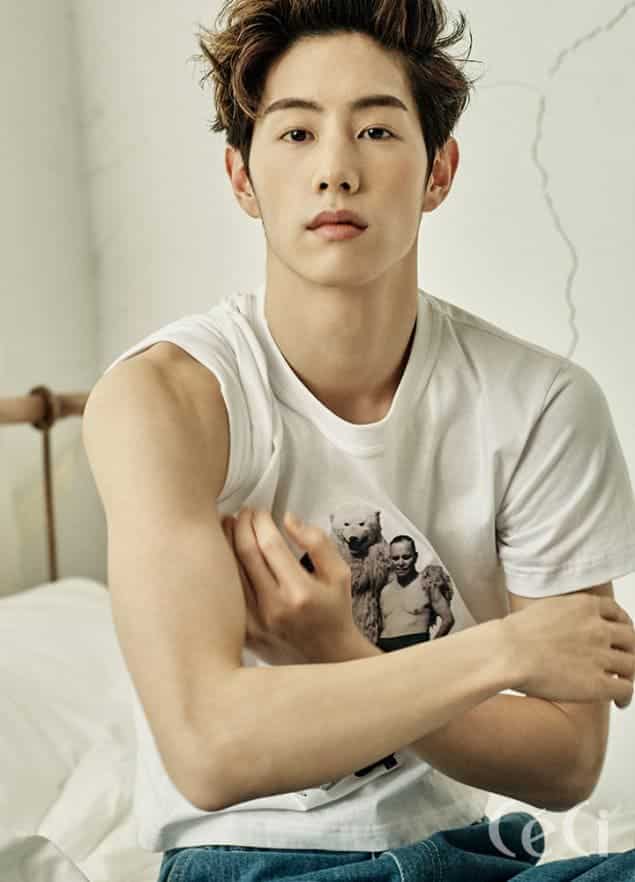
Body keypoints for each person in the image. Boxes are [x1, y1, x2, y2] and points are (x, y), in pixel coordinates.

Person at [82, 1, 635, 880]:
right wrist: (503, 652)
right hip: (253, 862)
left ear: (437, 171)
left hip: (471, 855)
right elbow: (209, 749)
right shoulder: (168, 400)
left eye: (376, 131)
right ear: (241, 178)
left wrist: (338, 647)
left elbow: (564, 766)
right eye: (296, 134)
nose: (335, 171)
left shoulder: (542, 405)